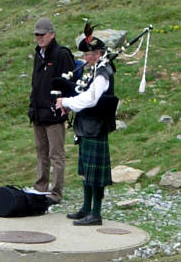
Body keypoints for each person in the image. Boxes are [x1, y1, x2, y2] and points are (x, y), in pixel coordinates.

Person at [55, 32, 116, 225]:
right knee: (86, 171)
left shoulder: (103, 73)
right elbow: (83, 93)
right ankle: (86, 208)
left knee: (94, 173)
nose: (84, 59)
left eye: (87, 55)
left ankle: (95, 214)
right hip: (87, 126)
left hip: (96, 127)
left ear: (97, 54)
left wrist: (67, 101)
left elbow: (91, 99)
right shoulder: (95, 69)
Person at [28, 17, 75, 205]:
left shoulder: (62, 54)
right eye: (37, 35)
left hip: (54, 113)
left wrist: (65, 105)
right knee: (41, 151)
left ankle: (56, 192)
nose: (39, 38)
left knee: (56, 154)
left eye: (42, 34)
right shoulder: (38, 54)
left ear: (52, 34)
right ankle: (40, 188)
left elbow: (70, 82)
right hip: (38, 112)